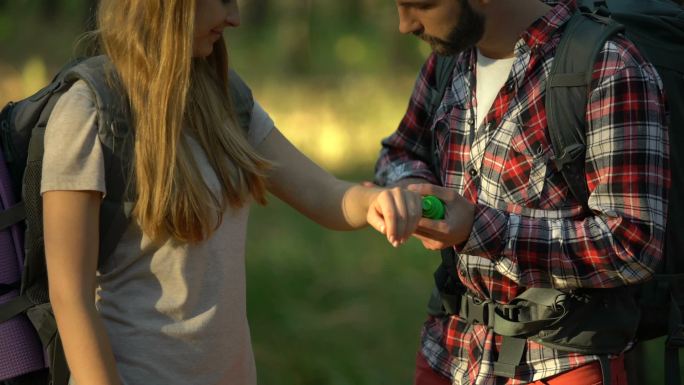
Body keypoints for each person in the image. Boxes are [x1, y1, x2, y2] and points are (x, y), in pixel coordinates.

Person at [41, 0, 424, 384]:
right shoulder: (87, 112)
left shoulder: (224, 99)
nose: (236, 18)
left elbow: (324, 195)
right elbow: (70, 296)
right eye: (223, 0)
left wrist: (378, 201)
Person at [374, 0, 669, 384]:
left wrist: (479, 228)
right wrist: (411, 190)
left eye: (422, 4)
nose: (404, 24)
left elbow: (634, 244)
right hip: (448, 353)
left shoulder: (608, 67)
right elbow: (400, 151)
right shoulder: (447, 61)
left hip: (560, 363)